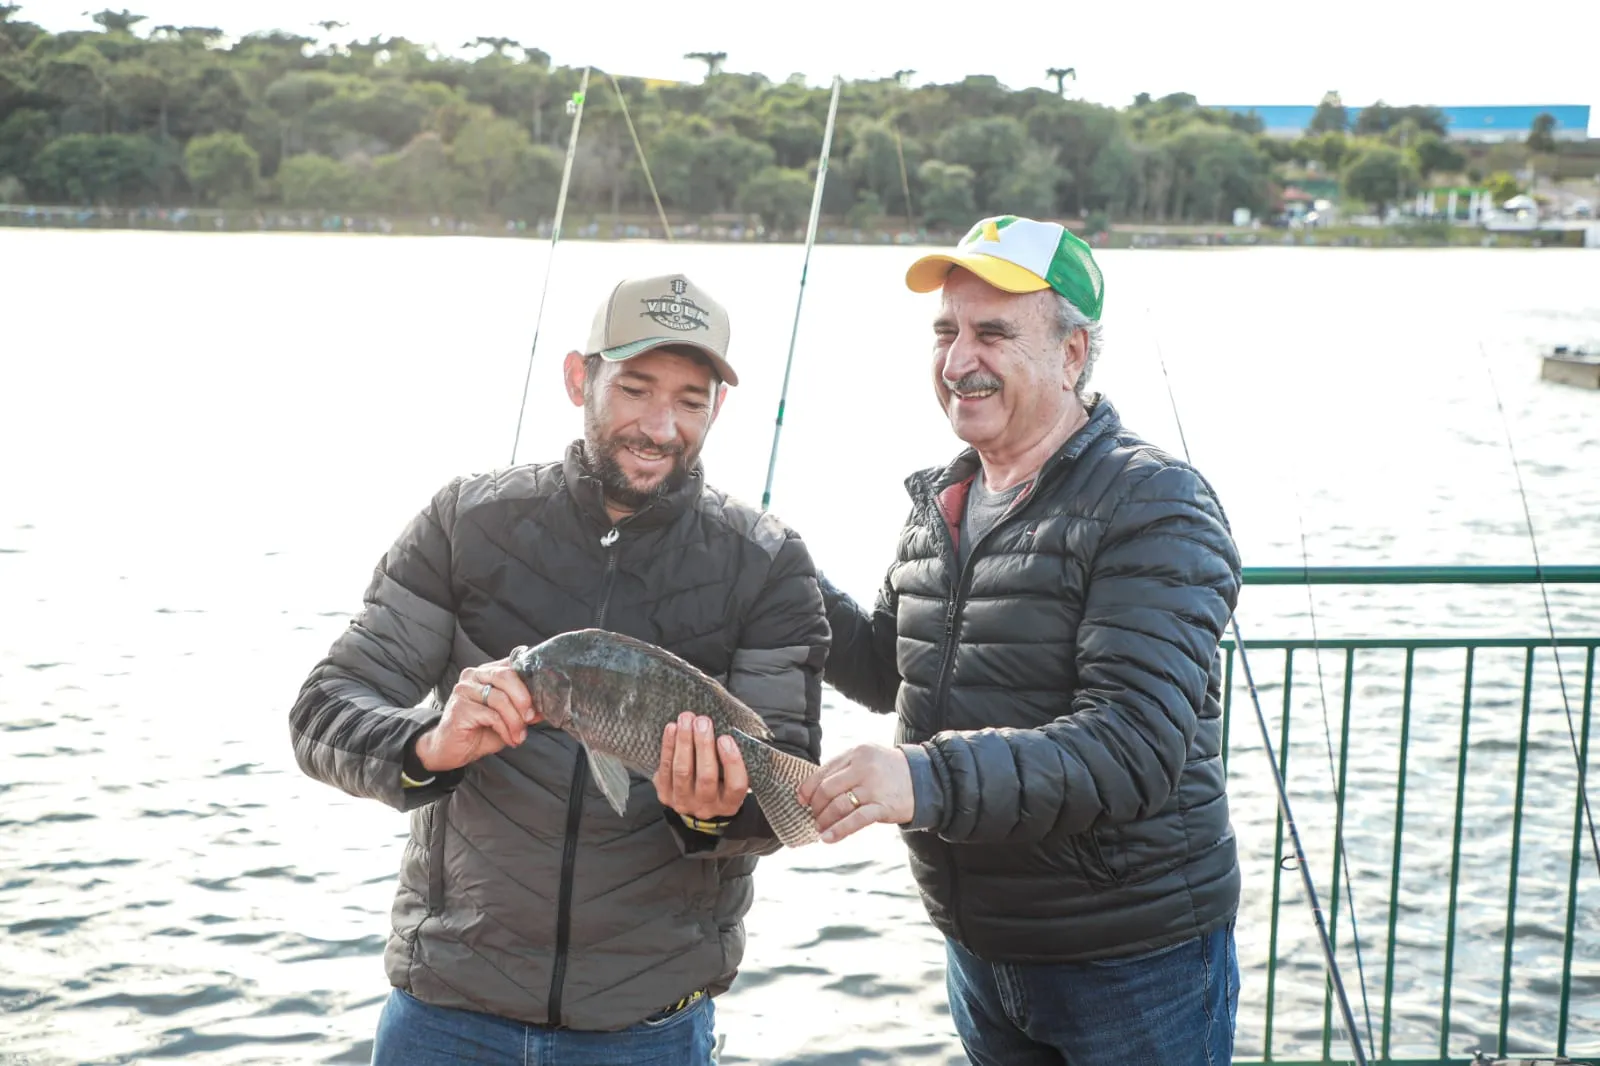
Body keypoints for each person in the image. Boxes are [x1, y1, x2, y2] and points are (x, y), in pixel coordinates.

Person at [288, 272, 830, 1064]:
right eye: (636, 388)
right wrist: (427, 747)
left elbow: (785, 791)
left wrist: (713, 812)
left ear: (718, 407)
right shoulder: (466, 523)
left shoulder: (768, 562)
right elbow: (322, 712)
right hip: (447, 1010)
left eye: (690, 399)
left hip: (650, 1025)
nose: (659, 425)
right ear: (581, 377)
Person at [799, 215, 1243, 1066]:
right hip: (980, 947)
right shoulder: (947, 500)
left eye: (993, 333)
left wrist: (921, 778)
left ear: (1074, 354)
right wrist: (778, 574)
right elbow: (888, 666)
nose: (959, 360)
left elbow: (1134, 747)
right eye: (946, 332)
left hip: (1128, 963)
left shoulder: (1156, 503)